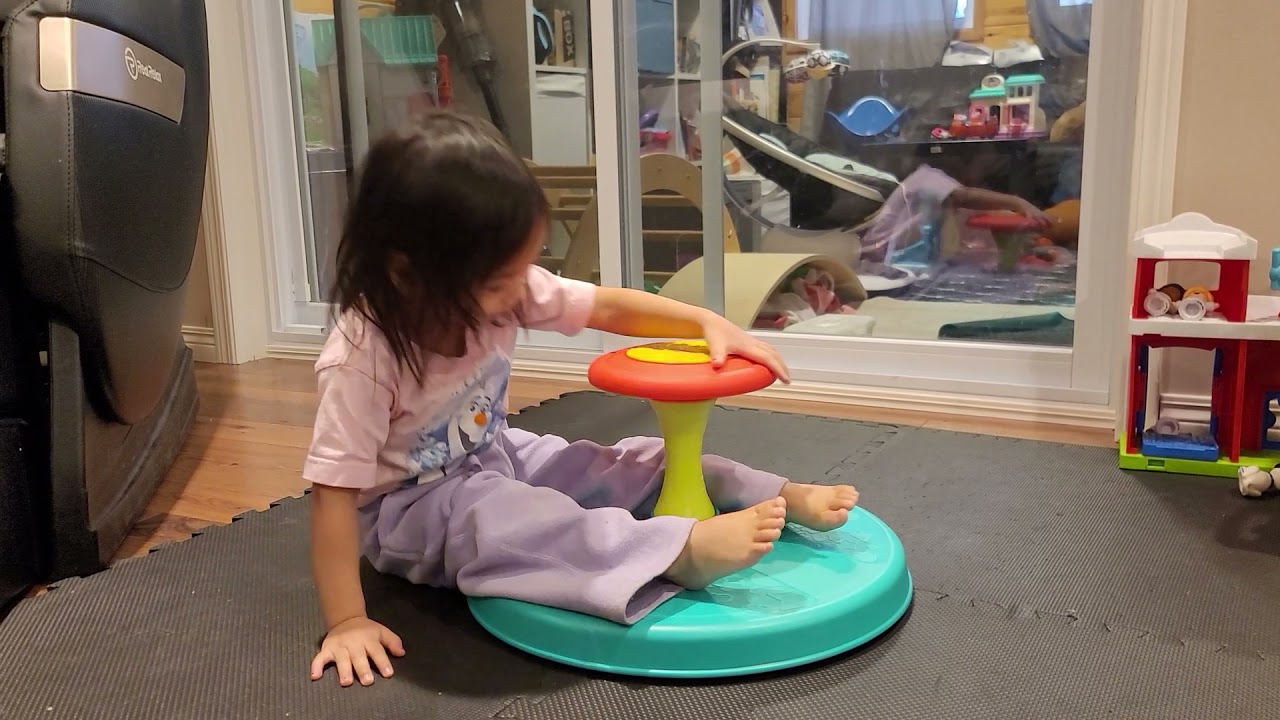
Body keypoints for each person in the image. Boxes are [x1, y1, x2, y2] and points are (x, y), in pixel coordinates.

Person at [303, 111, 861, 688]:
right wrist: (346, 620)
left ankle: (770, 493)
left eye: (524, 270)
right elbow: (332, 496)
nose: (523, 291)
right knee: (510, 517)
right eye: (501, 282)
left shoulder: (502, 284)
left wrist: (702, 321)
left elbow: (605, 306)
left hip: (494, 451)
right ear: (407, 275)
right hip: (409, 510)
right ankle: (676, 553)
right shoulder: (362, 358)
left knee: (623, 459)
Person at [858, 163, 1050, 266]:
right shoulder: (929, 179)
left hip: (904, 259)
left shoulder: (931, 189)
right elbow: (965, 197)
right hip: (881, 263)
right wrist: (1019, 202)